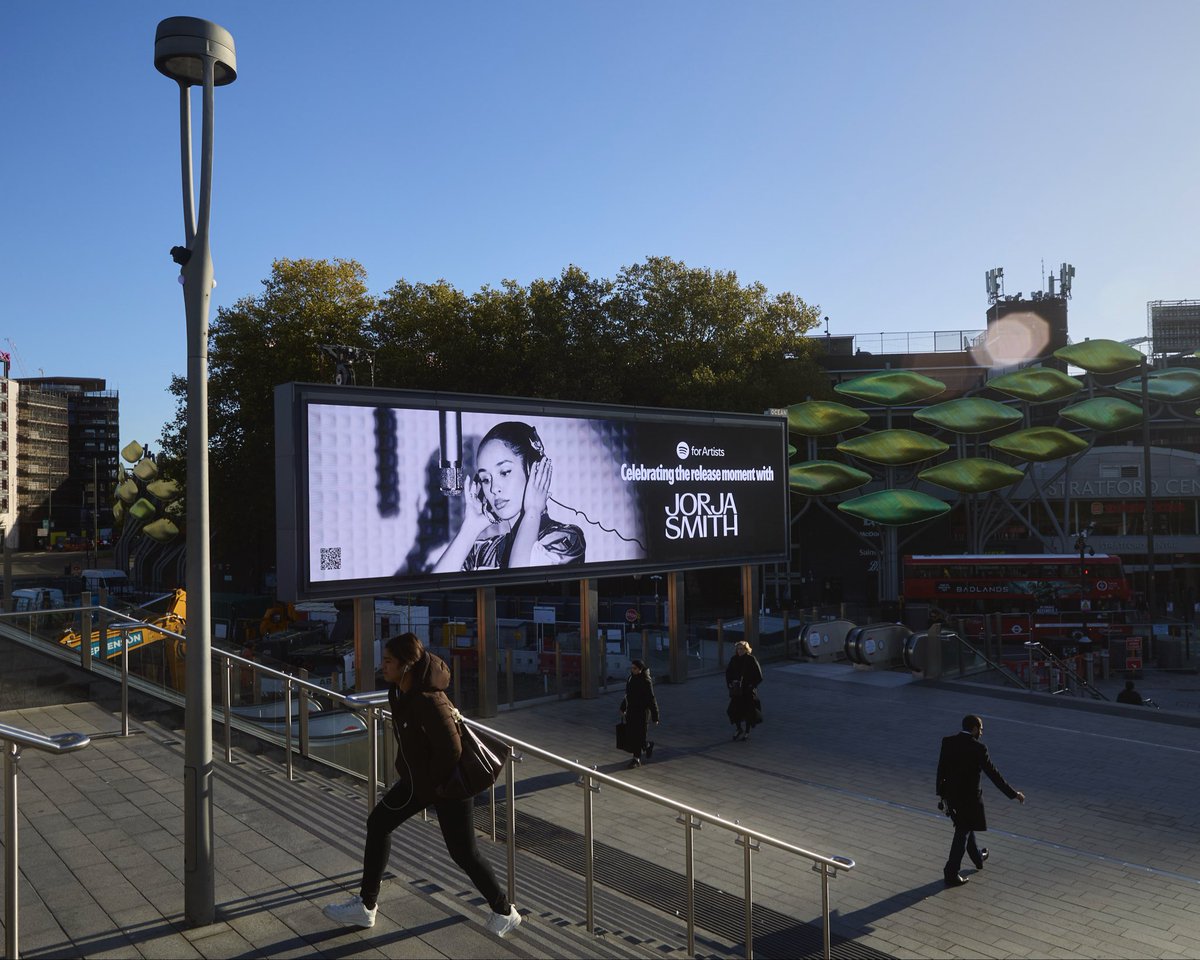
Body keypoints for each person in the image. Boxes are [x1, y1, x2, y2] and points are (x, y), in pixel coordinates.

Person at [323, 633, 522, 938]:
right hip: (420, 782)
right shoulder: (399, 692)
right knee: (378, 824)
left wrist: (432, 785)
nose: (383, 666)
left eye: (389, 661)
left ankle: (504, 911)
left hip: (447, 787)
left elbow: (452, 750)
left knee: (464, 854)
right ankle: (366, 907)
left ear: (407, 665)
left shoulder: (430, 701)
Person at [434, 421, 585, 573]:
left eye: (505, 472)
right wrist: (470, 528)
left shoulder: (566, 540)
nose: (493, 489)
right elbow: (435, 587)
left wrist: (533, 510)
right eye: (486, 479)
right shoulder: (487, 551)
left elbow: (521, 581)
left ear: (533, 469)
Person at [936, 714, 1025, 888]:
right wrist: (1014, 794)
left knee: (966, 828)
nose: (982, 733)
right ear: (975, 728)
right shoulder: (978, 748)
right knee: (962, 833)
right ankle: (951, 873)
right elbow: (993, 774)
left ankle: (978, 858)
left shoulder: (948, 742)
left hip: (952, 797)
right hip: (969, 800)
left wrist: (941, 795)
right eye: (981, 729)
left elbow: (941, 770)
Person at [620, 659, 660, 768]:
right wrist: (623, 707)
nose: (632, 670)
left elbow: (651, 699)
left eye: (635, 668)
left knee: (639, 736)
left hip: (642, 713)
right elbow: (627, 695)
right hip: (631, 712)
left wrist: (655, 716)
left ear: (640, 669)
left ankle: (636, 759)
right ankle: (645, 748)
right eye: (632, 668)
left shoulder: (646, 681)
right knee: (634, 735)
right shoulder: (631, 678)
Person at [726, 640, 763, 741]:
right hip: (737, 691)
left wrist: (752, 685)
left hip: (748, 691)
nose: (739, 651)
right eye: (738, 649)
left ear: (746, 650)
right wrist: (730, 683)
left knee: (748, 712)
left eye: (742, 649)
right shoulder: (734, 659)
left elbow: (759, 676)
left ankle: (747, 731)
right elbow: (728, 672)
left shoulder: (751, 659)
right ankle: (739, 729)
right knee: (732, 710)